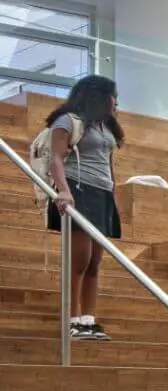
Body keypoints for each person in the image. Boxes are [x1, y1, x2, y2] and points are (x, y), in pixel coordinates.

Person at [44, 75, 124, 341]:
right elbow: (55, 156)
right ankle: (72, 319)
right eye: (113, 97)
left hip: (102, 194)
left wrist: (112, 191)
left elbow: (107, 162)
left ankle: (88, 320)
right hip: (78, 189)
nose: (116, 103)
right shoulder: (68, 120)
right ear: (98, 97)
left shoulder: (106, 126)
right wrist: (63, 190)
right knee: (80, 258)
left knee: (95, 262)